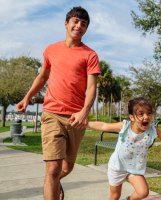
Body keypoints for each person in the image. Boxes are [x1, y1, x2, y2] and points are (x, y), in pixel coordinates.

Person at [16, 6, 100, 200]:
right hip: (52, 113)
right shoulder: (51, 50)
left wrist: (84, 112)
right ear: (66, 23)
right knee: (53, 169)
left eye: (84, 24)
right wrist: (26, 97)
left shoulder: (90, 55)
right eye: (76, 21)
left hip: (76, 118)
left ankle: (52, 183)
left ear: (86, 30)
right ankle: (51, 183)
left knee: (66, 167)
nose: (79, 26)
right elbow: (43, 76)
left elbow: (92, 88)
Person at [88, 97, 161, 200]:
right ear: (132, 117)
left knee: (143, 192)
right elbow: (103, 126)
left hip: (134, 169)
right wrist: (85, 123)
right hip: (117, 167)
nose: (146, 117)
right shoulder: (125, 126)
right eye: (141, 114)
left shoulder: (152, 130)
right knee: (115, 196)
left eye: (149, 113)